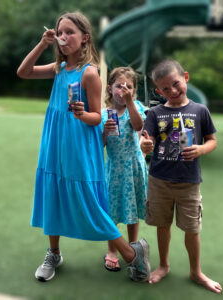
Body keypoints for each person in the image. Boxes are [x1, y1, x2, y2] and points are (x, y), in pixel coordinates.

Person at [17, 11, 150, 283]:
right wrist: (43, 44)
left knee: (88, 201)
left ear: (85, 38)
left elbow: (98, 117)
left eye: (70, 32)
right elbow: (24, 72)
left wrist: (81, 114)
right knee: (53, 192)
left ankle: (131, 254)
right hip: (55, 141)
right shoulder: (58, 69)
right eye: (60, 32)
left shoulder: (89, 73)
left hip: (79, 143)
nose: (63, 37)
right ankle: (53, 253)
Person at [140, 59, 222, 293]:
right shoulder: (155, 113)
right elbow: (147, 140)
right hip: (159, 180)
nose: (173, 91)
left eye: (176, 84)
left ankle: (196, 272)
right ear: (158, 91)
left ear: (185, 77)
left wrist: (202, 149)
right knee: (162, 225)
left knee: (192, 229)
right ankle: (164, 265)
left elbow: (212, 141)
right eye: (165, 89)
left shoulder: (199, 111)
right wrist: (145, 145)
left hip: (189, 182)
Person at [101, 67, 148, 272]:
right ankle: (112, 250)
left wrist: (130, 103)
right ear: (110, 89)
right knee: (111, 209)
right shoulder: (103, 114)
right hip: (114, 167)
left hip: (133, 166)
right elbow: (99, 145)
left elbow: (139, 126)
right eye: (119, 86)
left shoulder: (136, 106)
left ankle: (132, 247)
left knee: (133, 208)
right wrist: (105, 131)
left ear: (134, 91)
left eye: (129, 86)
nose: (124, 89)